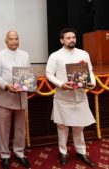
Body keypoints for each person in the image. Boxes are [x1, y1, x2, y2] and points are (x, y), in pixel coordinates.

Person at [45, 28, 96, 167]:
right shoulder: (55, 56)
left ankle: (81, 151)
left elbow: (90, 71)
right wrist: (61, 84)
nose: (72, 40)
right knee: (62, 126)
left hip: (80, 96)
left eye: (73, 37)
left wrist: (92, 83)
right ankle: (63, 152)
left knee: (79, 126)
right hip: (63, 96)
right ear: (62, 40)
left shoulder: (83, 54)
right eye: (68, 38)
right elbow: (49, 74)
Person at [0, 30, 31, 169]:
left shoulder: (25, 55)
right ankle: (5, 155)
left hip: (21, 97)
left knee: (21, 128)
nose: (14, 41)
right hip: (5, 96)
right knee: (4, 128)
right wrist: (6, 85)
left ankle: (19, 152)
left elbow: (27, 73)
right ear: (6, 40)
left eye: (16, 39)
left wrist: (29, 82)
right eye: (11, 39)